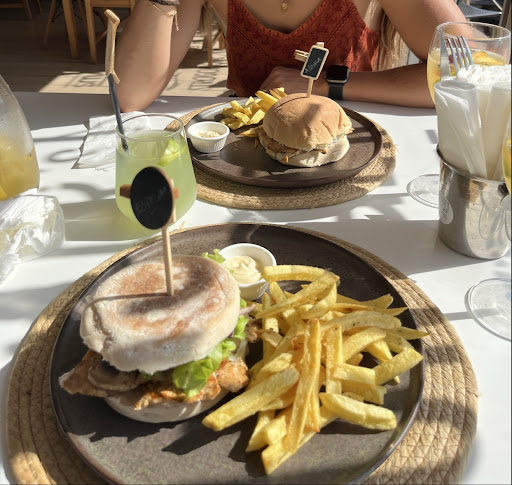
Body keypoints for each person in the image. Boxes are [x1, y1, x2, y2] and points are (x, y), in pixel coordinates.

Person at [114, 0, 466, 112]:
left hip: (354, 143)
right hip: (241, 156)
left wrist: (327, 85)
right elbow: (129, 95)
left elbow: (466, 74)